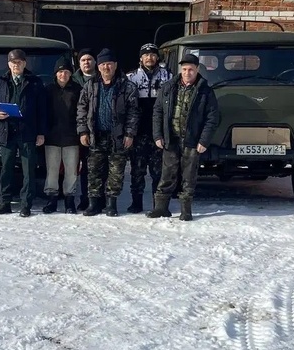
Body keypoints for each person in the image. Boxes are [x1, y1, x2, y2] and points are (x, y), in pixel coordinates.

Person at [149, 53, 220, 221]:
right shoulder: (168, 87)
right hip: (171, 139)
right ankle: (161, 208)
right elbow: (157, 112)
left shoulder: (205, 91)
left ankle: (186, 210)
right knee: (167, 174)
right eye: (185, 69)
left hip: (192, 141)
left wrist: (204, 140)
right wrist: (158, 135)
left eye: (191, 70)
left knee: (189, 176)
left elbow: (212, 118)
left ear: (197, 70)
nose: (187, 73)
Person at [76, 48, 139, 217]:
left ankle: (111, 204)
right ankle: (93, 204)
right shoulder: (90, 85)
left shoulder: (127, 86)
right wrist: (83, 131)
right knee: (94, 171)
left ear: (115, 65)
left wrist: (130, 134)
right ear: (98, 66)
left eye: (109, 64)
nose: (106, 67)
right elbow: (81, 109)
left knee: (116, 172)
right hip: (96, 135)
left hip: (118, 136)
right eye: (103, 64)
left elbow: (133, 112)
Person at [0, 49, 47, 216]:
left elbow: (42, 110)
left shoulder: (34, 82)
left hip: (27, 132)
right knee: (6, 170)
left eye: (19, 62)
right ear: (9, 64)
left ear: (25, 64)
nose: (16, 65)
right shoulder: (0, 82)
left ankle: (26, 205)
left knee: (28, 171)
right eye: (13, 62)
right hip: (7, 131)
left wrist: (41, 133)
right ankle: (5, 203)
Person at [125, 42, 172, 213]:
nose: (149, 58)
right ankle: (136, 203)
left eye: (152, 54)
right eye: (146, 55)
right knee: (137, 170)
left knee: (158, 172)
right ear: (140, 58)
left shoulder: (168, 77)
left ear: (157, 57)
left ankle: (158, 204)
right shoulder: (131, 78)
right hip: (138, 132)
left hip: (158, 133)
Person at [42, 56, 82, 214]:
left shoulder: (77, 90)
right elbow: (43, 113)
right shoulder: (48, 90)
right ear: (55, 74)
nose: (63, 75)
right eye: (60, 72)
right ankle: (51, 199)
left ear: (70, 73)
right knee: (52, 170)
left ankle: (69, 200)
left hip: (72, 137)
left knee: (71, 171)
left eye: (66, 71)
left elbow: (81, 112)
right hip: (52, 137)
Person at [71, 49, 99, 210]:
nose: (86, 62)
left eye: (89, 59)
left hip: (97, 129)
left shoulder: (102, 78)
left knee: (97, 166)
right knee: (83, 166)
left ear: (95, 62)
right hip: (78, 129)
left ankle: (98, 198)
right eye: (83, 60)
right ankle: (83, 197)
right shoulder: (72, 80)